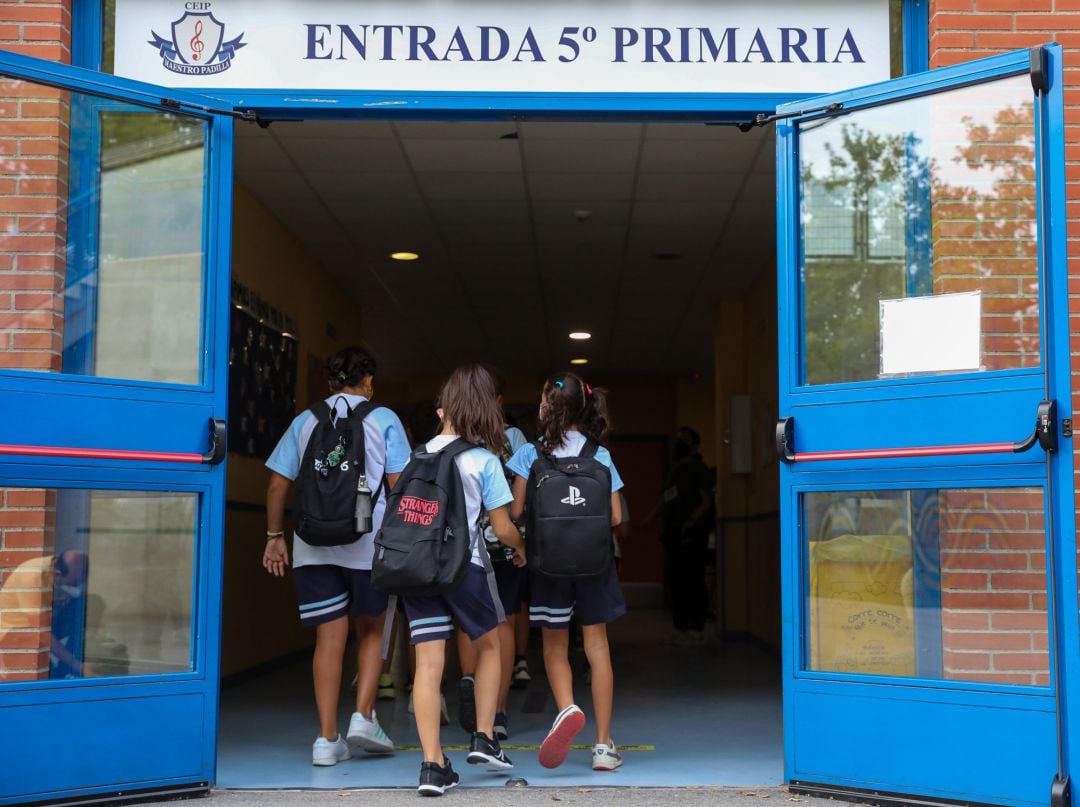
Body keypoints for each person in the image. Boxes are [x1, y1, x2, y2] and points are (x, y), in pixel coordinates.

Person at [263, 346, 409, 766]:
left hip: (312, 544)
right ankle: (363, 716)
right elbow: (399, 486)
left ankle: (327, 740)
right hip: (369, 544)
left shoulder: (305, 420)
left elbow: (277, 486)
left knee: (328, 639)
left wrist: (275, 537)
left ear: (330, 382)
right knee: (371, 630)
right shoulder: (384, 420)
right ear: (369, 381)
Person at [404, 364, 525, 796]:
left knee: (429, 664)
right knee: (491, 642)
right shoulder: (484, 461)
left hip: (418, 571)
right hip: (465, 568)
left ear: (446, 407)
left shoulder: (415, 457)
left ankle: (432, 766)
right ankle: (485, 737)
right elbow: (504, 526)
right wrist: (520, 546)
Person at [507, 372, 626, 773]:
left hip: (548, 564)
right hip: (595, 564)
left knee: (555, 646)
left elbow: (517, 512)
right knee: (597, 649)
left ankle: (566, 709)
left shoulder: (530, 454)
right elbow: (615, 515)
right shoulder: (600, 454)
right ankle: (604, 746)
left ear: (546, 407)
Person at [455, 370, 528, 741]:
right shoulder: (511, 438)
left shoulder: (454, 439)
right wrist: (521, 543)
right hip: (501, 547)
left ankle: (470, 688)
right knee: (505, 625)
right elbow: (517, 505)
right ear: (497, 401)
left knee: (468, 624)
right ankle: (497, 712)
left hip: (460, 550)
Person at [657, 426, 713, 643]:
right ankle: (679, 627)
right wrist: (650, 518)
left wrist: (691, 522)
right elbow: (666, 499)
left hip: (693, 532)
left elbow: (706, 501)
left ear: (694, 445)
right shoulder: (674, 472)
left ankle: (696, 626)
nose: (679, 443)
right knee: (676, 579)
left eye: (685, 440)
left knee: (694, 579)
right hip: (673, 532)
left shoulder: (700, 470)